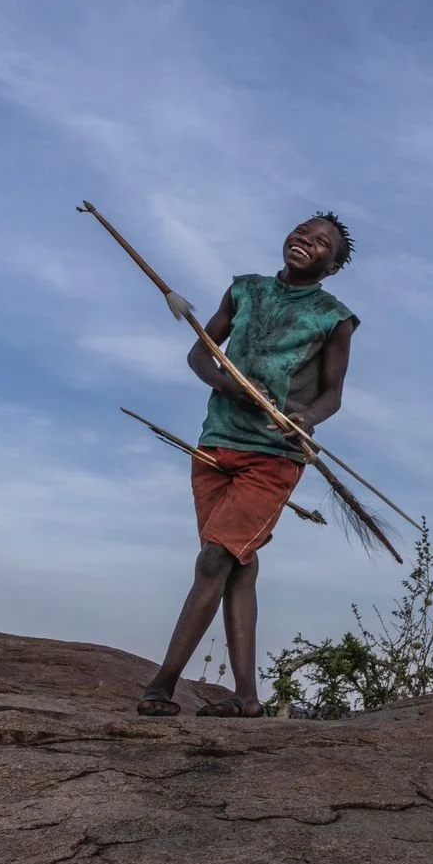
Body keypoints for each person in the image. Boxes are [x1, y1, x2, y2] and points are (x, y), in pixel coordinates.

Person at [136, 214, 360, 718]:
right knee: (237, 565)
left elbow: (332, 395)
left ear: (332, 267)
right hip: (215, 445)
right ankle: (247, 698)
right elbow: (200, 355)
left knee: (214, 559)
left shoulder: (335, 318)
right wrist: (228, 385)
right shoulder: (245, 290)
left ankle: (162, 685)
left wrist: (305, 418)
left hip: (273, 455)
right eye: (302, 232)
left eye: (321, 243)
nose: (305, 242)